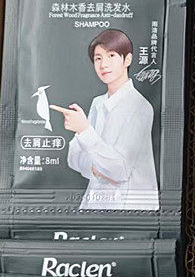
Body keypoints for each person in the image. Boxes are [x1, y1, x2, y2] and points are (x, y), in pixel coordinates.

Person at [51, 29, 159, 211]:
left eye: (111, 56)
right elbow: (73, 157)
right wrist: (98, 167)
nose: (103, 64)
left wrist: (84, 131)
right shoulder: (98, 103)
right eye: (98, 58)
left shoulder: (140, 107)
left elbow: (119, 170)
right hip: (94, 204)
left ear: (127, 60)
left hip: (129, 209)